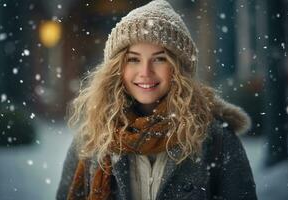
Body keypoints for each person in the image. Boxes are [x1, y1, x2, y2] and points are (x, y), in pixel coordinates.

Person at [56, 0, 257, 199]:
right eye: (133, 59)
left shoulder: (215, 139)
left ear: (179, 68)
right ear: (117, 69)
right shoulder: (92, 139)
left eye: (160, 59)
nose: (145, 72)